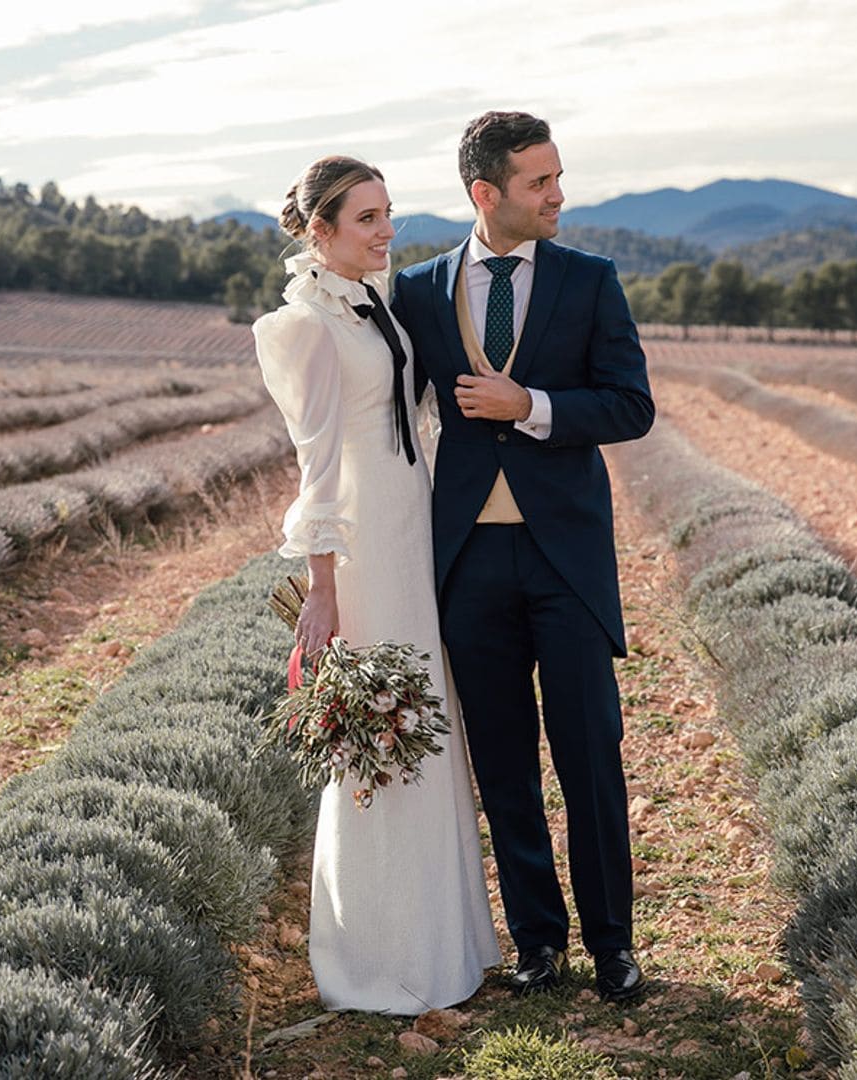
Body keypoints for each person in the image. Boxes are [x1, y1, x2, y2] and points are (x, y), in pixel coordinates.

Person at [392, 112, 655, 1002]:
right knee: (502, 763)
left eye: (557, 177)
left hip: (566, 563)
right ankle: (538, 943)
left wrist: (530, 405)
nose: (557, 195)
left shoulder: (590, 281)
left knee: (590, 756)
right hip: (467, 562)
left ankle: (613, 946)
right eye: (540, 182)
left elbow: (630, 407)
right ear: (486, 193)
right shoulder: (421, 292)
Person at [252, 156, 501, 1014]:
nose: (386, 230)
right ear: (319, 231)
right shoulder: (303, 328)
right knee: (381, 739)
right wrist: (322, 590)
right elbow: (314, 466)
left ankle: (444, 945)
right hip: (359, 547)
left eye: (388, 213)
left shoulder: (376, 303)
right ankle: (376, 957)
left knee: (425, 721)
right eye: (366, 218)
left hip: (409, 526)